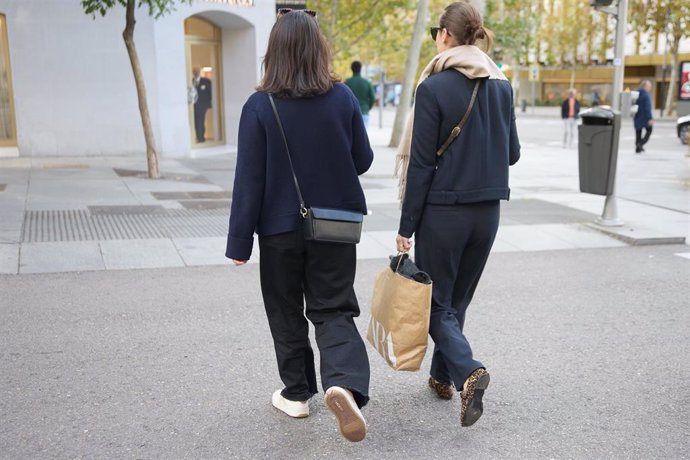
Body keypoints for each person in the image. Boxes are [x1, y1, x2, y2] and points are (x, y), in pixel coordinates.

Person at [225, 9, 373, 443]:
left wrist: (239, 243)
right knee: (333, 308)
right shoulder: (342, 97)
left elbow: (248, 179)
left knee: (285, 310)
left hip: (278, 230)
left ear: (275, 53)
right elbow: (362, 160)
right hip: (333, 226)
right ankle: (342, 383)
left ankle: (296, 395)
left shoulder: (259, 106)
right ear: (317, 50)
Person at [394, 1, 520, 427]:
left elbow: (421, 164)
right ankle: (442, 379)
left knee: (433, 305)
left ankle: (469, 372)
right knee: (455, 301)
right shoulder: (501, 85)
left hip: (444, 211)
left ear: (444, 36)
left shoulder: (433, 88)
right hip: (488, 213)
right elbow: (513, 154)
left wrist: (405, 226)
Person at [344, 61, 376, 128]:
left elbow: (342, 99)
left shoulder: (346, 83)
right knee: (364, 136)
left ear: (351, 69)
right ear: (360, 69)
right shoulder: (367, 83)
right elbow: (373, 98)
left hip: (350, 113)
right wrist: (367, 107)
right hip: (364, 111)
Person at [191, 67, 212, 143]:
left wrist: (208, 104)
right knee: (196, 122)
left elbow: (210, 93)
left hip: (203, 106)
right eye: (194, 71)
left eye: (197, 71)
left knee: (200, 121)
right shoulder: (191, 82)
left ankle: (201, 138)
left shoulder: (206, 81)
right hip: (193, 106)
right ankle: (199, 137)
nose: (196, 73)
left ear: (199, 72)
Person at [634, 80, 653, 154]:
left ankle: (638, 148)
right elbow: (647, 108)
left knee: (638, 132)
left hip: (637, 116)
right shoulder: (646, 95)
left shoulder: (637, 93)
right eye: (649, 87)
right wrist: (650, 118)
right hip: (644, 117)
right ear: (645, 86)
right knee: (649, 130)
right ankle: (640, 144)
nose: (650, 88)